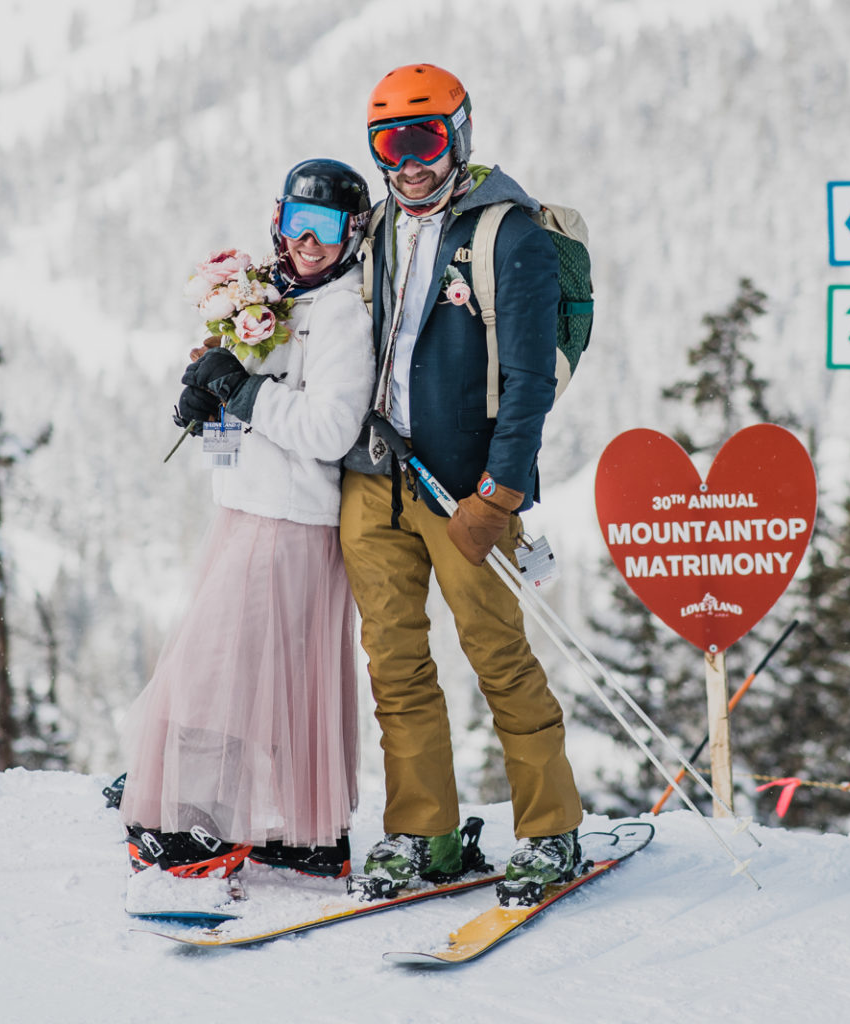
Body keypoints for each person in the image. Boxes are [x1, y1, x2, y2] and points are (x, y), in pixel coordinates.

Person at [339, 63, 583, 904]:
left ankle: (551, 832)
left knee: (498, 658)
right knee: (395, 666)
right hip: (375, 481)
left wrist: (501, 493)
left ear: (459, 134)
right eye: (390, 143)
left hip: (465, 490)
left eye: (424, 138)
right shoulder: (373, 230)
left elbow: (528, 382)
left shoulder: (506, 234)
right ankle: (424, 833)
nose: (408, 161)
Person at [119, 159, 376, 879]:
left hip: (288, 522)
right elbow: (248, 413)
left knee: (216, 671)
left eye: (328, 228)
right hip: (246, 510)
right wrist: (210, 413)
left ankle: (197, 817)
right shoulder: (273, 297)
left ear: (354, 233)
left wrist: (244, 391)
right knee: (270, 679)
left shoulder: (342, 315)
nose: (311, 242)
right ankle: (299, 830)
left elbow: (330, 429)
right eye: (299, 224)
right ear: (278, 221)